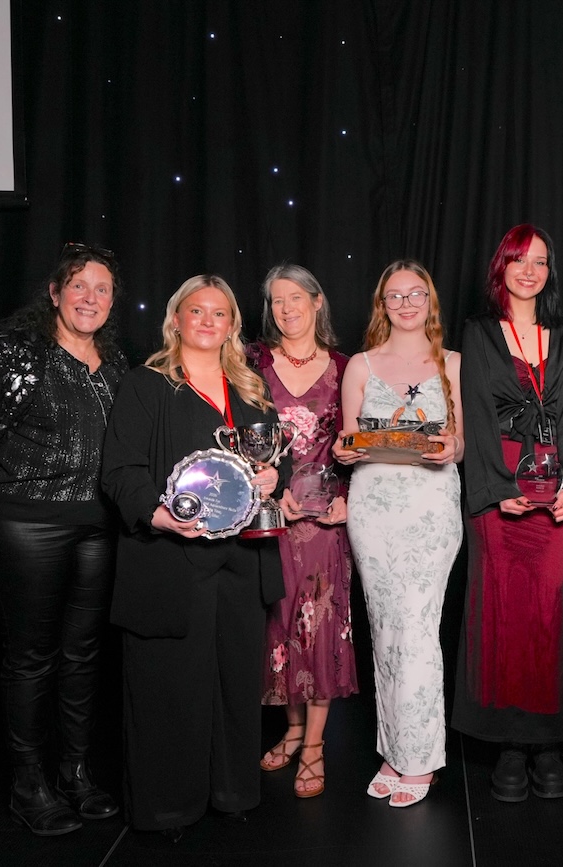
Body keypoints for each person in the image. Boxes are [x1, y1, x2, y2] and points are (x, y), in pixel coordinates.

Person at [0, 243, 126, 836]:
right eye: (79, 286)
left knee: (83, 652)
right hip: (24, 524)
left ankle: (75, 772)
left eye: (102, 289)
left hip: (96, 524)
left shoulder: (114, 363)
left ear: (112, 302)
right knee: (32, 654)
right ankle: (28, 782)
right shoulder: (14, 353)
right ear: (55, 292)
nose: (90, 298)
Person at [101, 275, 288, 840]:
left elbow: (276, 461)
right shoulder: (145, 385)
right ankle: (169, 807)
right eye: (196, 311)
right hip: (169, 560)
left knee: (234, 683)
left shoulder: (251, 389)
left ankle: (232, 791)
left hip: (241, 560)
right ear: (175, 319)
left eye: (220, 313)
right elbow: (120, 470)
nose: (208, 321)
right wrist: (155, 514)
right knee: (168, 687)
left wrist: (276, 475)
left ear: (233, 323)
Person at [452, 225, 563, 802]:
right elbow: (478, 417)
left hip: (553, 487)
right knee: (501, 614)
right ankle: (509, 743)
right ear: (501, 266)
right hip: (499, 488)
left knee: (548, 613)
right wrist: (496, 486)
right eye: (519, 260)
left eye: (540, 261)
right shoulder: (480, 334)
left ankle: (546, 741)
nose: (530, 270)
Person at [333, 260, 463, 808]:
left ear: (429, 300)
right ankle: (394, 750)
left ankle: (421, 758)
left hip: (430, 507)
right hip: (373, 508)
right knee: (385, 629)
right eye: (394, 296)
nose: (405, 303)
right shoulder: (360, 364)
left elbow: (457, 443)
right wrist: (344, 450)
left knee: (415, 628)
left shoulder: (452, 362)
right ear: (381, 305)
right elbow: (348, 439)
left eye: (415, 294)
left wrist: (446, 448)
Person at [248, 263, 357, 799]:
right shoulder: (250, 363)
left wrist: (351, 504)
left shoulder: (346, 366)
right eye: (276, 301)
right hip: (271, 519)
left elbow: (367, 446)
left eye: (296, 298)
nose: (286, 309)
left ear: (317, 302)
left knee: (318, 629)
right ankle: (291, 730)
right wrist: (268, 492)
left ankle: (313, 745)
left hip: (324, 524)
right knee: (279, 627)